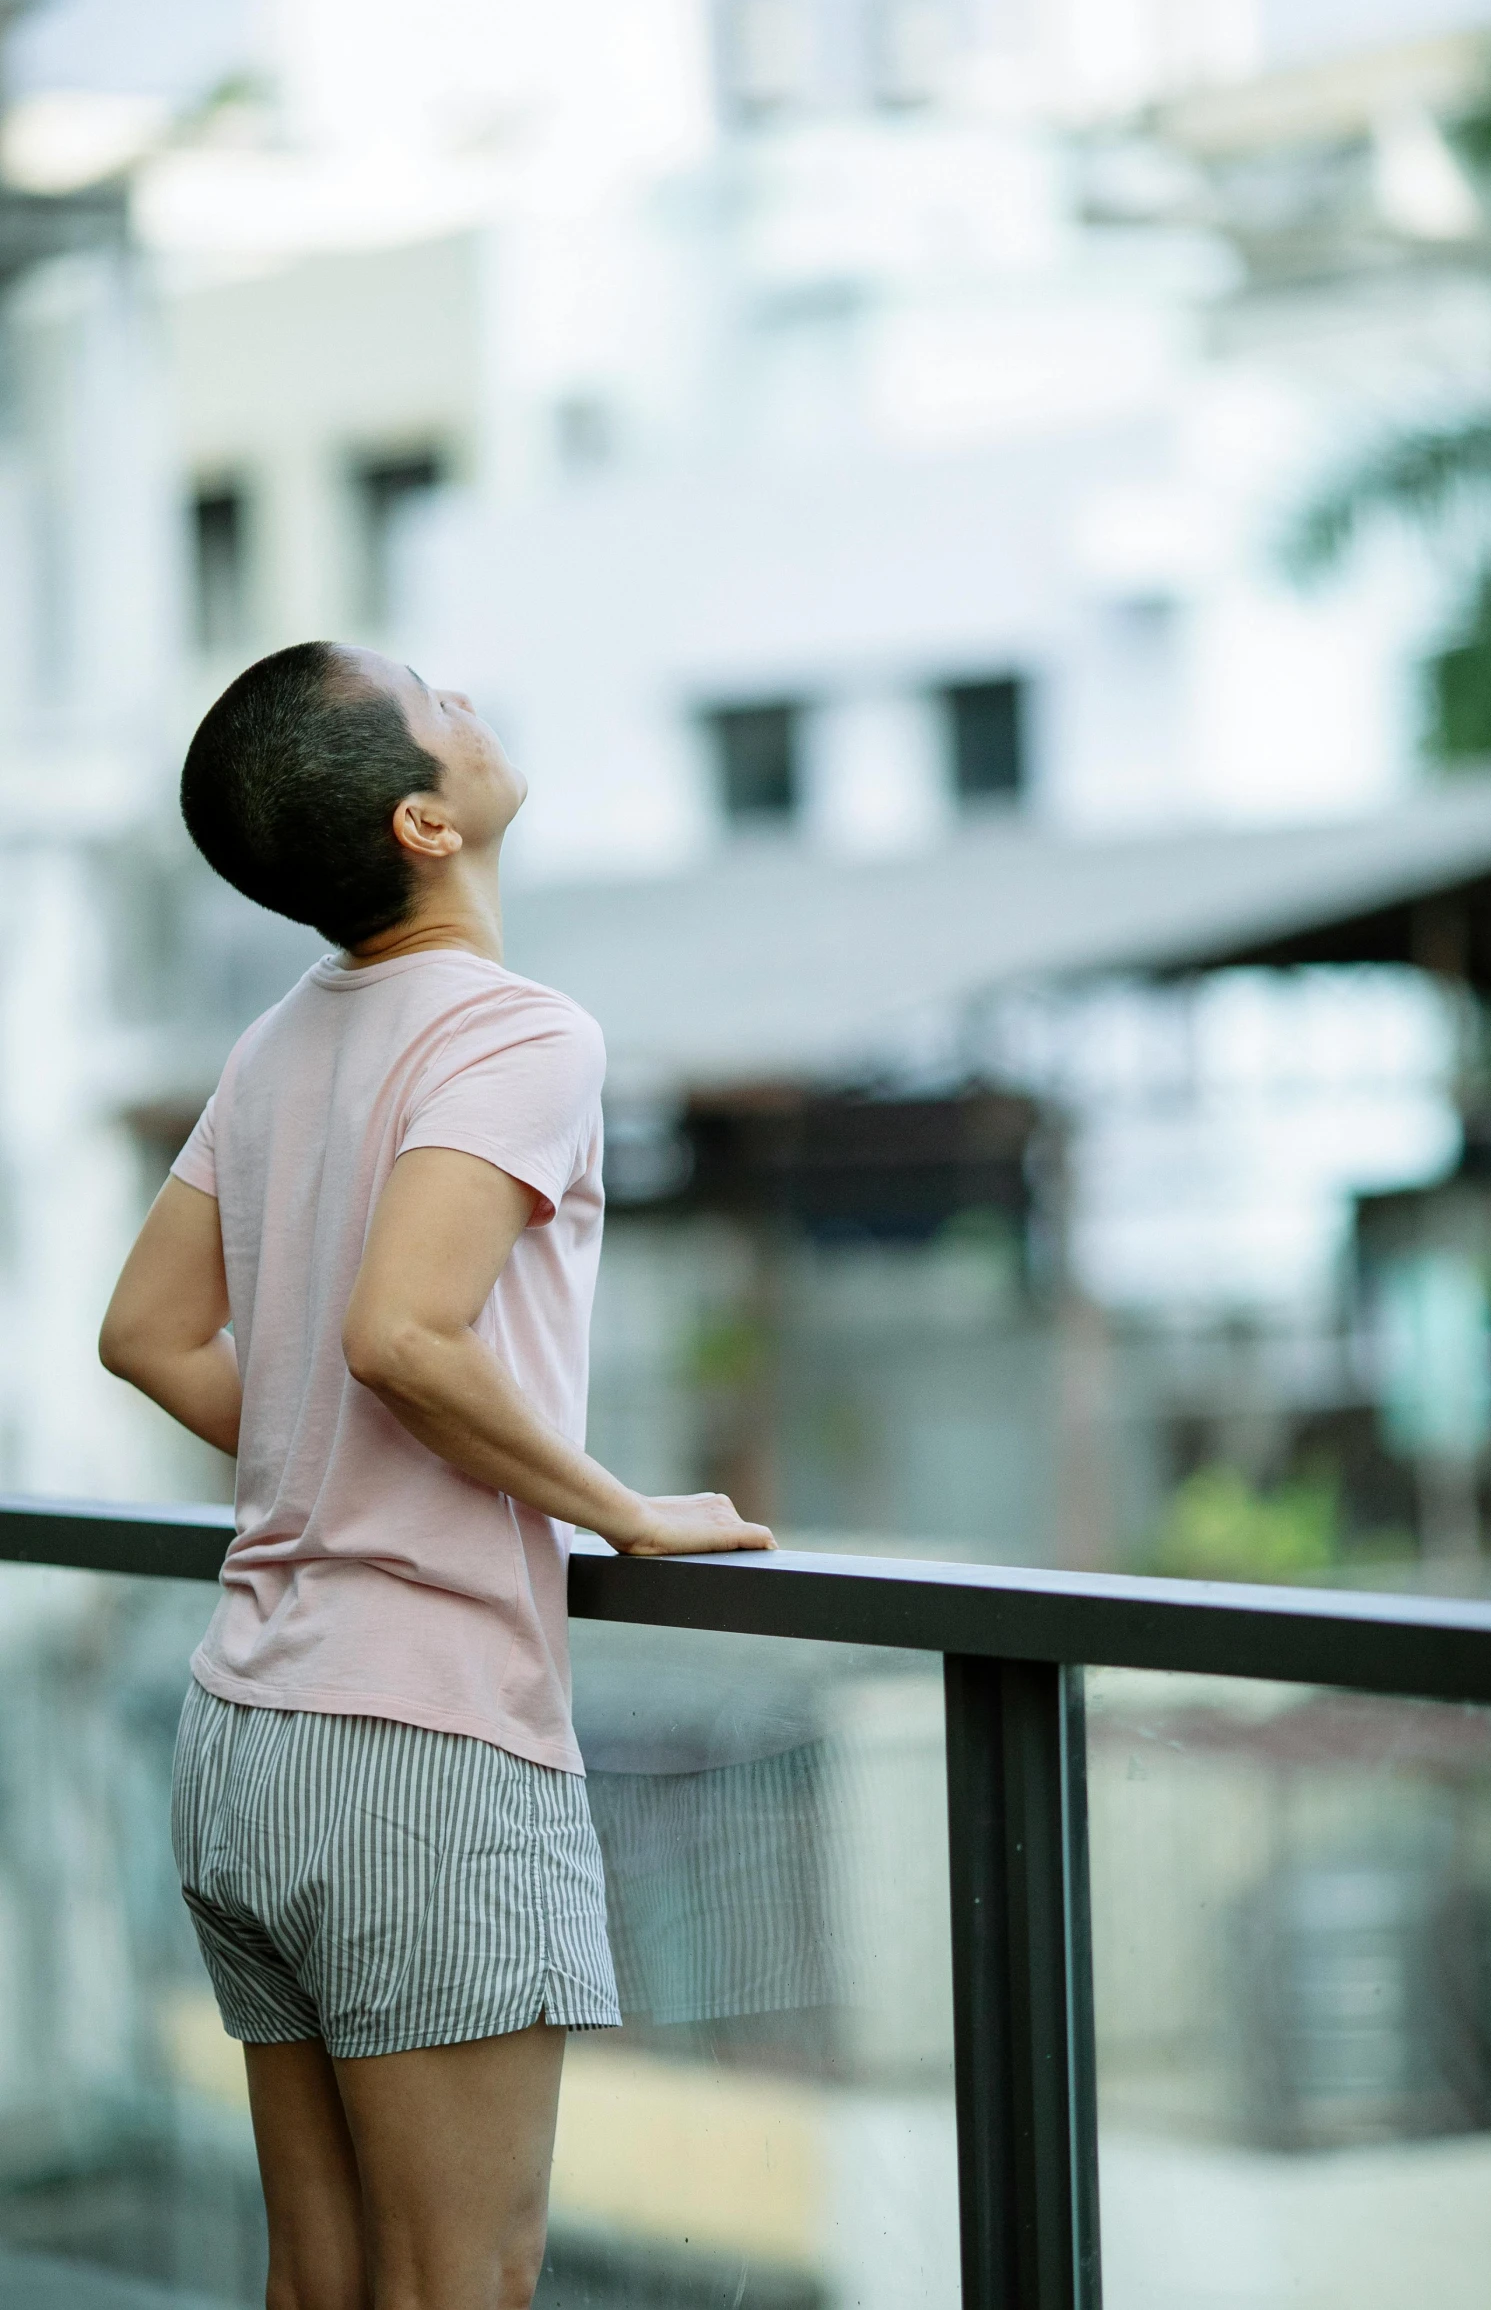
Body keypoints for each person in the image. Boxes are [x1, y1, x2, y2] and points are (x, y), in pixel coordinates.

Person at [98, 642, 775, 2310]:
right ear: (421, 819)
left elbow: (147, 1330)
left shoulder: (279, 1040)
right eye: (433, 697)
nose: (468, 694)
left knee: (324, 2276)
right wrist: (620, 1507)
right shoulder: (519, 1032)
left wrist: (310, 1465)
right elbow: (404, 1333)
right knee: (459, 2280)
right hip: (420, 1738)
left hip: (248, 1728)